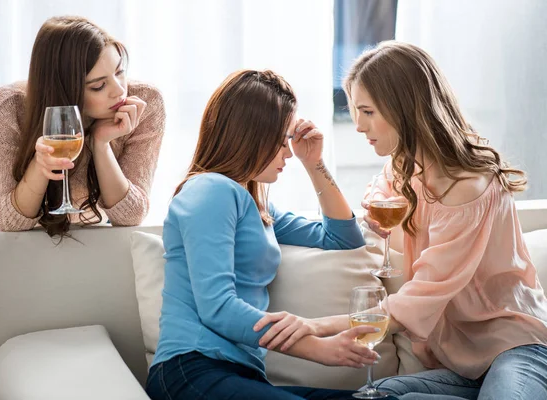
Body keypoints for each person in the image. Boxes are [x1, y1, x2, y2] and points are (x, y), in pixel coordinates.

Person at [257, 41, 547, 399]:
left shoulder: (468, 189)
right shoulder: (403, 168)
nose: (359, 125)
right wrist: (315, 164)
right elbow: (361, 213)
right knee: (381, 395)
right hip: (461, 366)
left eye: (367, 111)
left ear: (404, 109)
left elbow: (417, 300)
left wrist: (314, 326)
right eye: (354, 111)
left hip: (515, 350)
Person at [146, 69, 399, 400]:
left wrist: (315, 163)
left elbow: (343, 238)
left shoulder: (255, 205)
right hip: (192, 371)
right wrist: (318, 349)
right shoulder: (210, 190)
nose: (288, 153)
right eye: (281, 141)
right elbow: (217, 307)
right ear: (250, 135)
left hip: (239, 375)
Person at [0, 16, 165, 237]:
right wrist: (40, 165)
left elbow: (130, 216)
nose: (119, 90)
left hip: (102, 251)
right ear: (64, 89)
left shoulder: (144, 103)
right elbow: (7, 222)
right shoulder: (12, 106)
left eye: (120, 72)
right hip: (34, 256)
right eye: (99, 86)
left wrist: (100, 144)